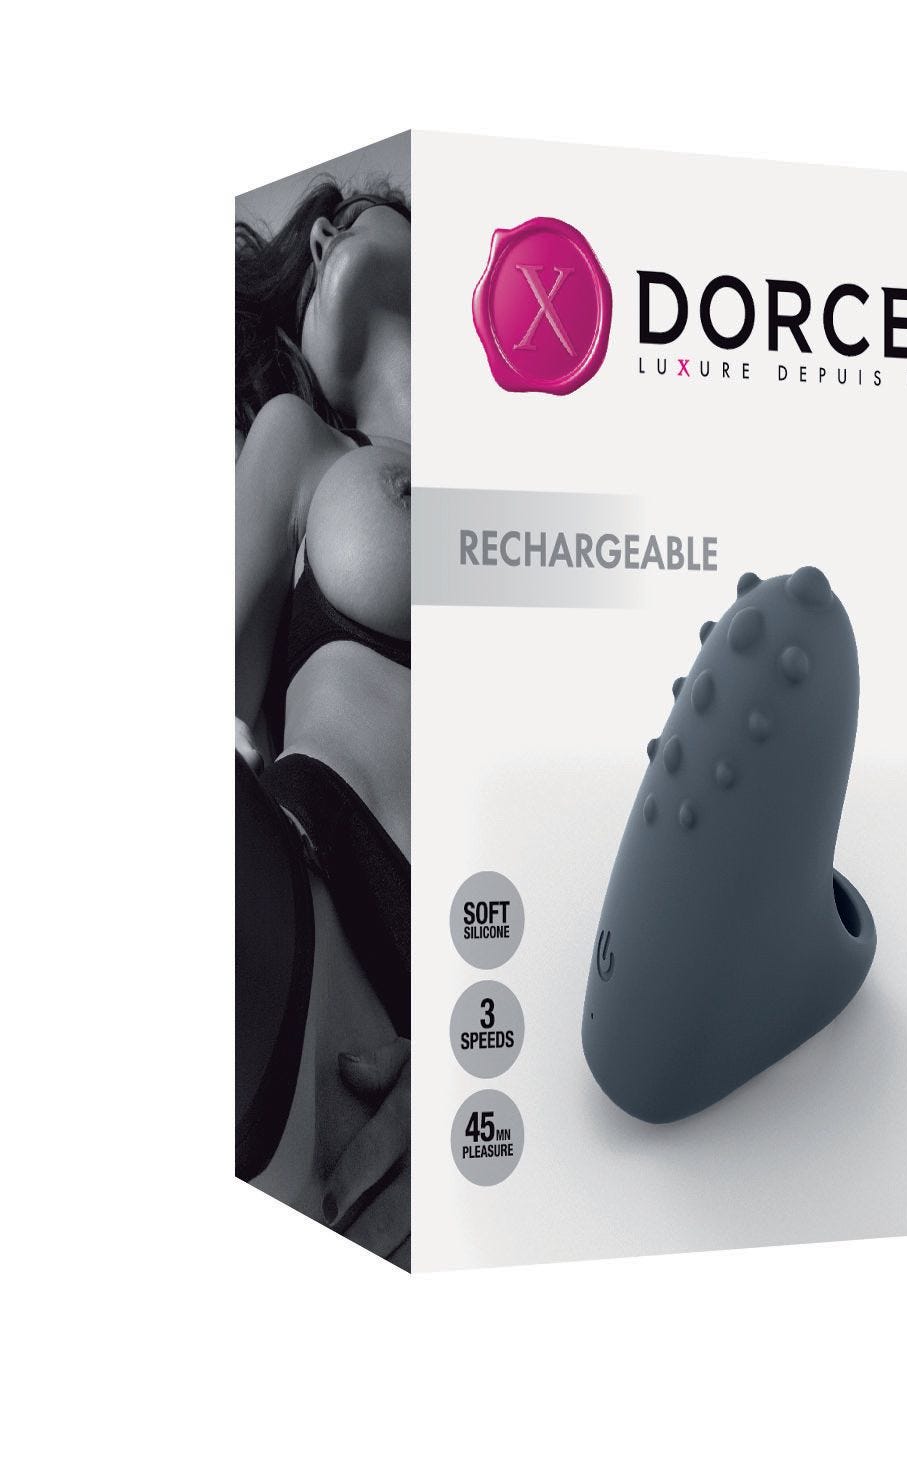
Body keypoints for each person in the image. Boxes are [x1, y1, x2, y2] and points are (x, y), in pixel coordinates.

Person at [235, 179, 412, 1268]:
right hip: (314, 894)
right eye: (309, 244)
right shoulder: (301, 445)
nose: (328, 227)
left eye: (355, 206)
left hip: (484, 984)